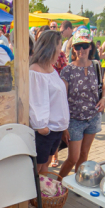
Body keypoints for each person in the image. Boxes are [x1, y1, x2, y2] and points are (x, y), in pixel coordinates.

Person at [59, 29, 105, 179]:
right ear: (73, 48)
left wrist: (104, 99)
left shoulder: (96, 66)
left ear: (91, 46)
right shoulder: (68, 70)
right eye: (78, 46)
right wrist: (64, 126)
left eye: (85, 45)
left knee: (84, 154)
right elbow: (62, 100)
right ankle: (59, 181)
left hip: (93, 117)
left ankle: (77, 182)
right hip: (74, 120)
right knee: (73, 157)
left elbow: (103, 87)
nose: (81, 50)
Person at [29, 31, 69, 183]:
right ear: (51, 47)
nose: (60, 50)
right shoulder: (36, 70)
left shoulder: (51, 69)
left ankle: (41, 197)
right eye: (59, 46)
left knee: (45, 165)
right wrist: (41, 126)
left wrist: (63, 127)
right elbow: (36, 100)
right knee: (38, 168)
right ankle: (36, 199)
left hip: (55, 128)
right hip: (46, 130)